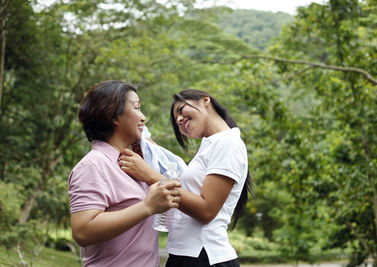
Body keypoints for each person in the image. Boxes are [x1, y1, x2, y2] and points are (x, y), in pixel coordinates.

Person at [119, 89, 253, 267]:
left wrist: (151, 176)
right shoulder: (212, 144)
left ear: (205, 100)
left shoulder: (227, 143)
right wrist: (147, 146)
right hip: (188, 255)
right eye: (177, 121)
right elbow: (175, 169)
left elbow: (206, 211)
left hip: (205, 256)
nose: (179, 120)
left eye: (181, 110)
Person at [68, 80, 181, 266]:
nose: (143, 117)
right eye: (136, 108)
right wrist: (146, 207)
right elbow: (82, 231)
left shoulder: (134, 164)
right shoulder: (93, 165)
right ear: (113, 115)